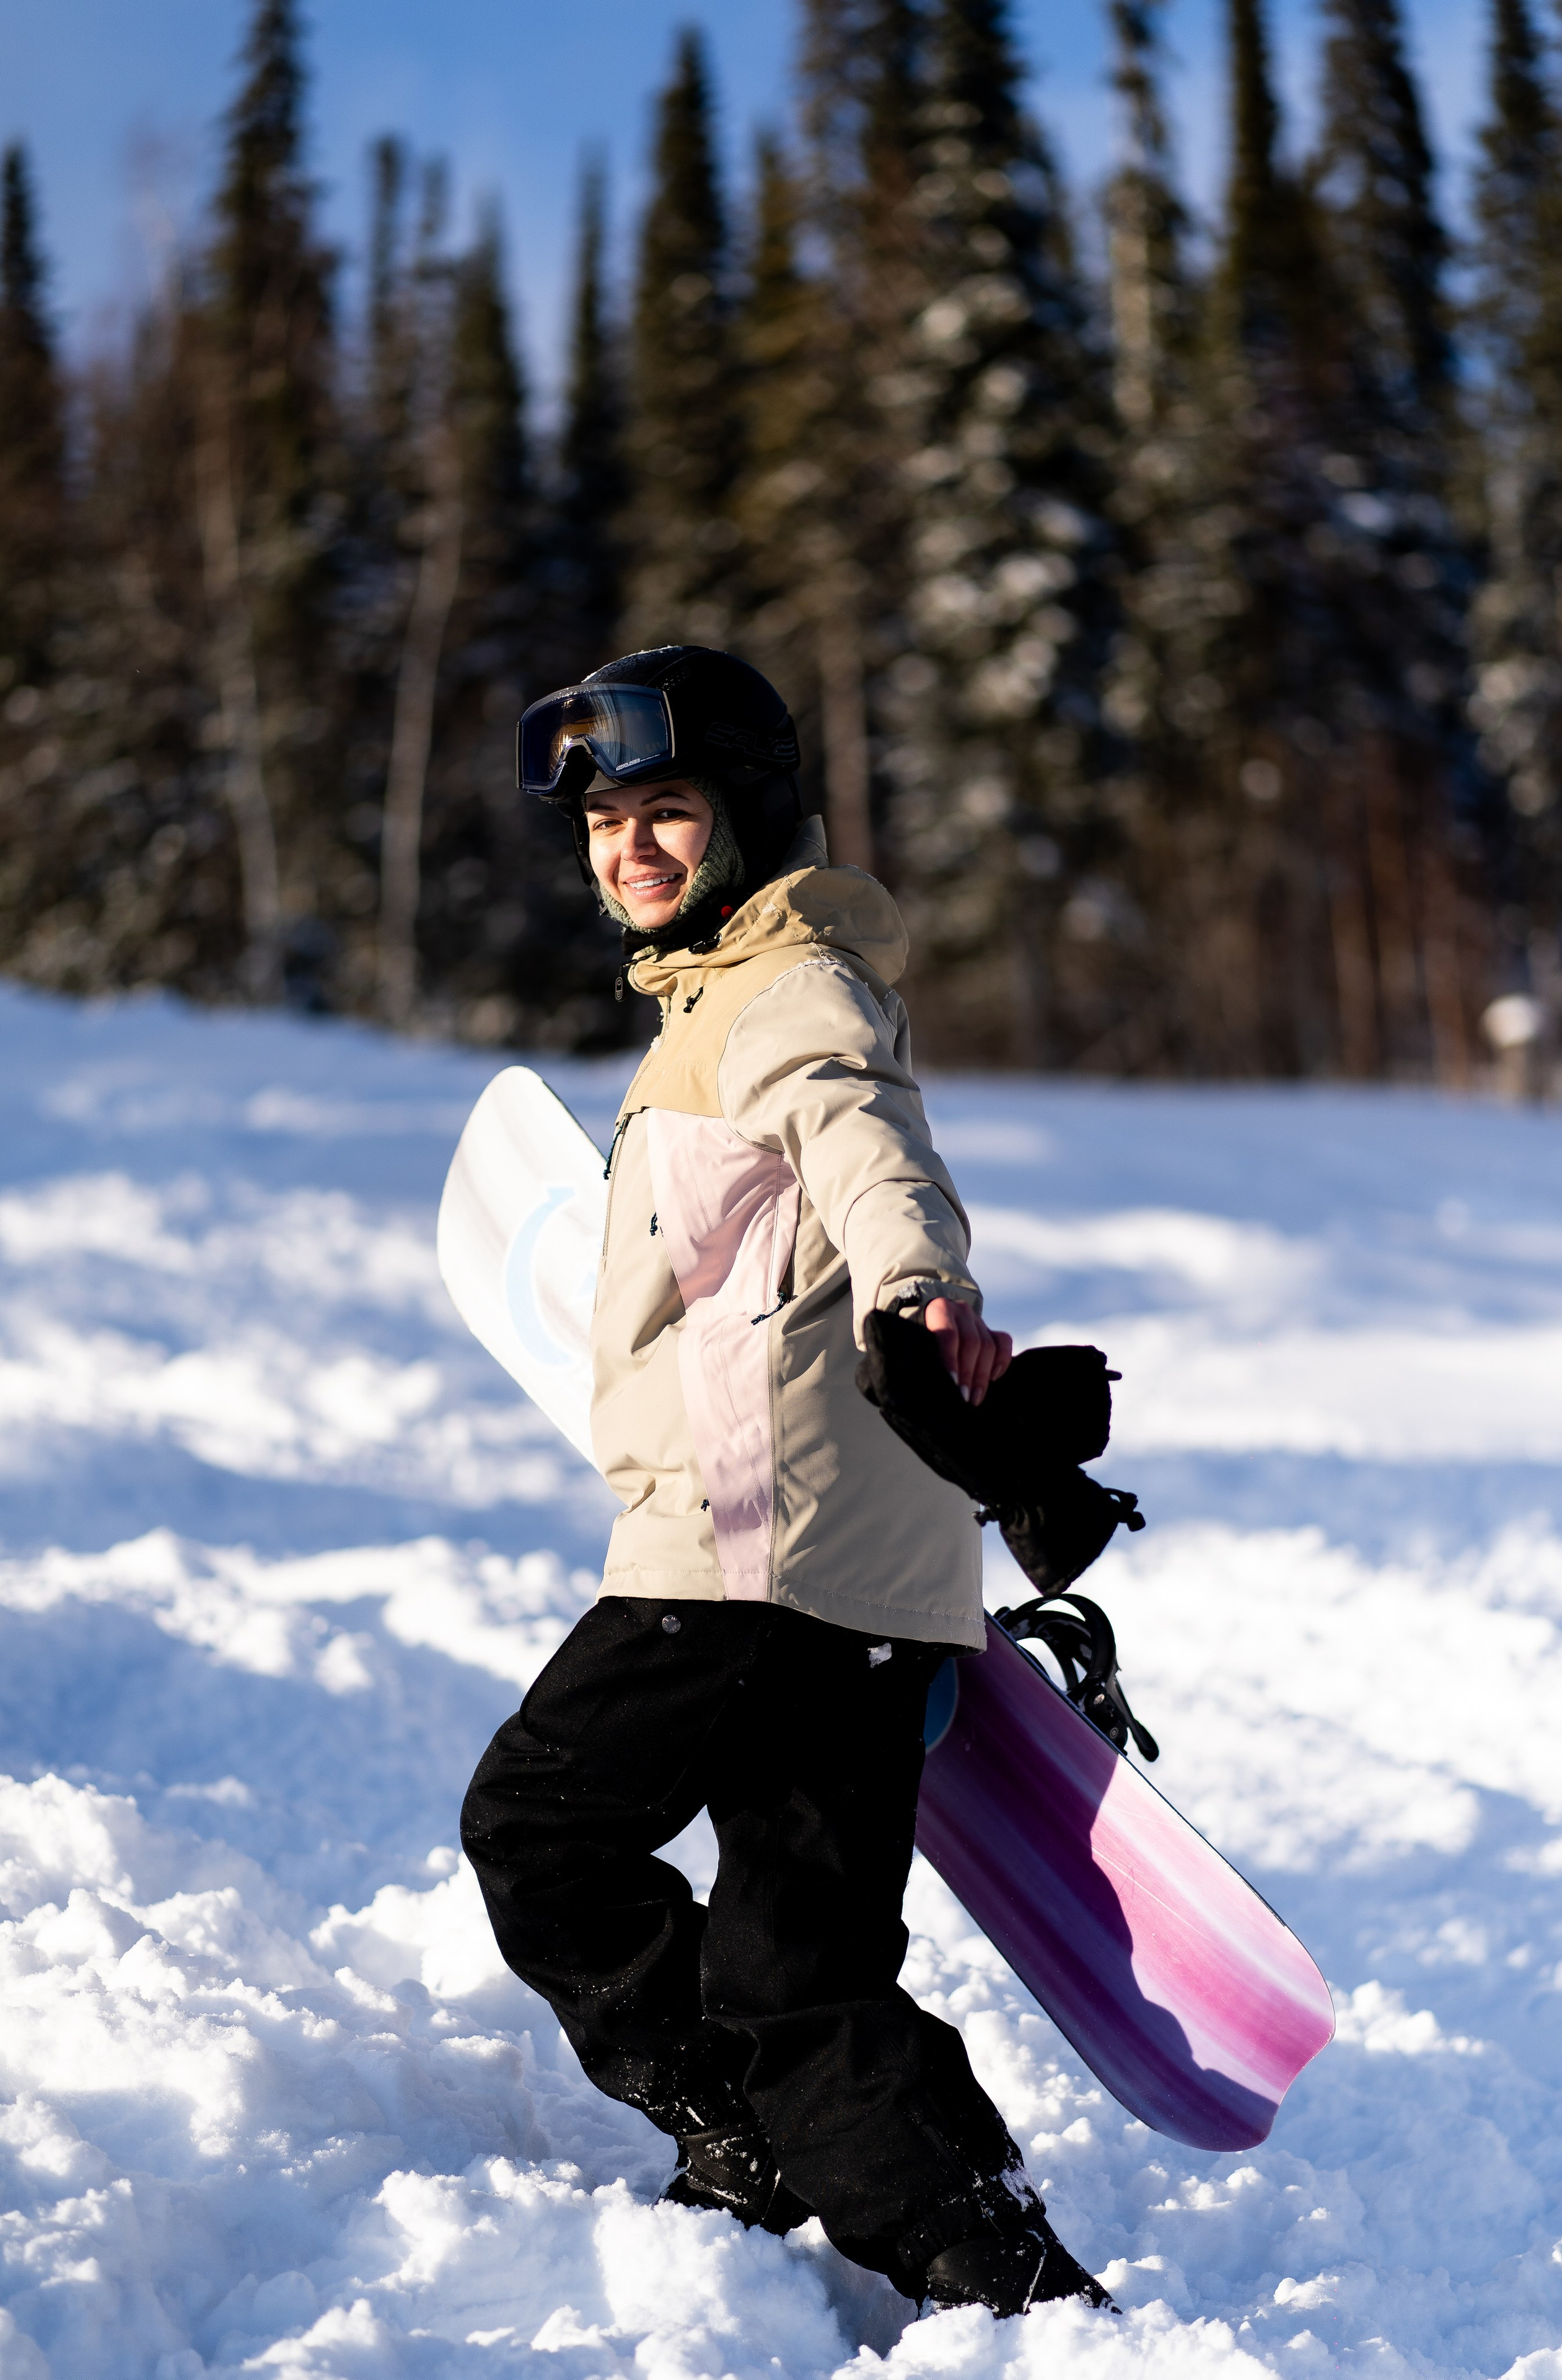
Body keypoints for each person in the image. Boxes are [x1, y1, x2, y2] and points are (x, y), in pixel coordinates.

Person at [460, 644, 1112, 2319]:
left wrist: (925, 1292)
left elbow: (868, 1145)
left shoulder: (785, 991)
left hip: (744, 1547)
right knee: (802, 1966)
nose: (630, 847)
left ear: (746, 818)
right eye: (607, 821)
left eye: (666, 810)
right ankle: (1001, 2270)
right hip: (864, 1566)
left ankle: (738, 2130)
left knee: (540, 1828)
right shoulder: (733, 991)